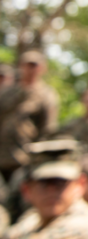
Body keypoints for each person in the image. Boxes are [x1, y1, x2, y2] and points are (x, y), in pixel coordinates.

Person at [0, 138, 88, 239]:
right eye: (43, 182)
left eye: (60, 182)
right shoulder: (34, 218)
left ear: (80, 184)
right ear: (26, 189)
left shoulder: (83, 226)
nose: (51, 190)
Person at [0, 51, 58, 182]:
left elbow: (48, 129)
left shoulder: (46, 95)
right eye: (26, 65)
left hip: (25, 159)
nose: (30, 69)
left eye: (34, 65)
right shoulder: (7, 92)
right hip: (2, 156)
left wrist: (39, 158)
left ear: (42, 68)